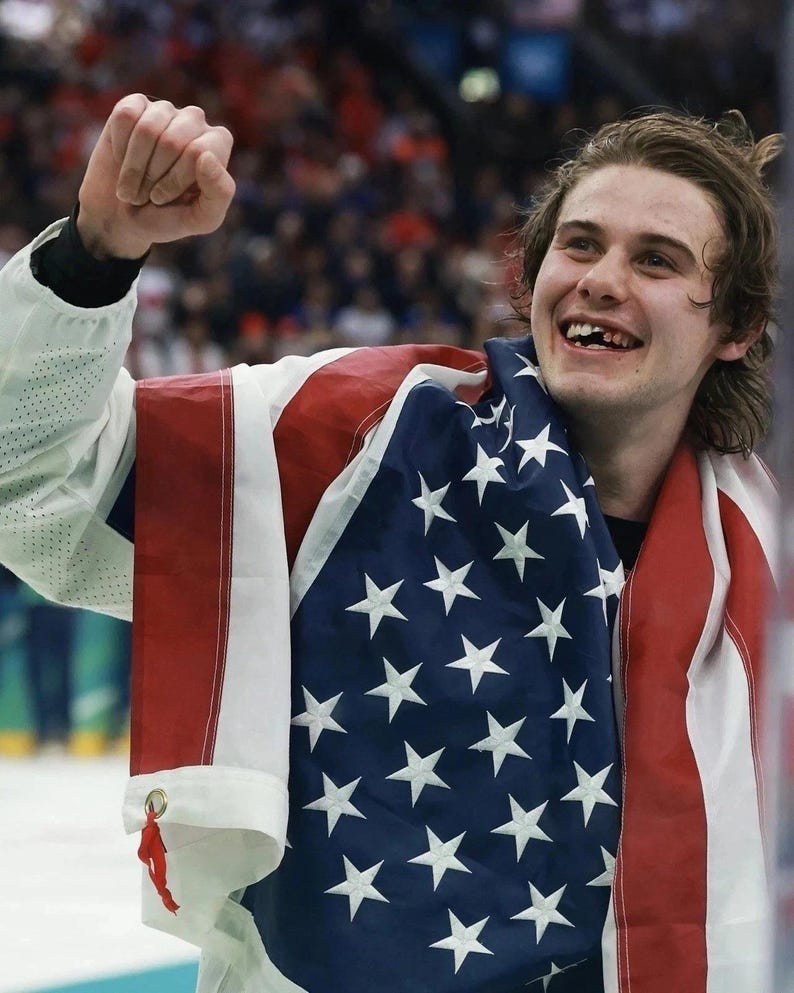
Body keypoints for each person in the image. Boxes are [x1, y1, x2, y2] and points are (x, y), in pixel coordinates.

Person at [0, 94, 781, 993]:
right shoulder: (356, 436)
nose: (603, 278)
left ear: (737, 327)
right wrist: (96, 254)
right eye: (580, 243)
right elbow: (36, 488)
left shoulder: (760, 560)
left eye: (656, 260)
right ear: (530, 278)